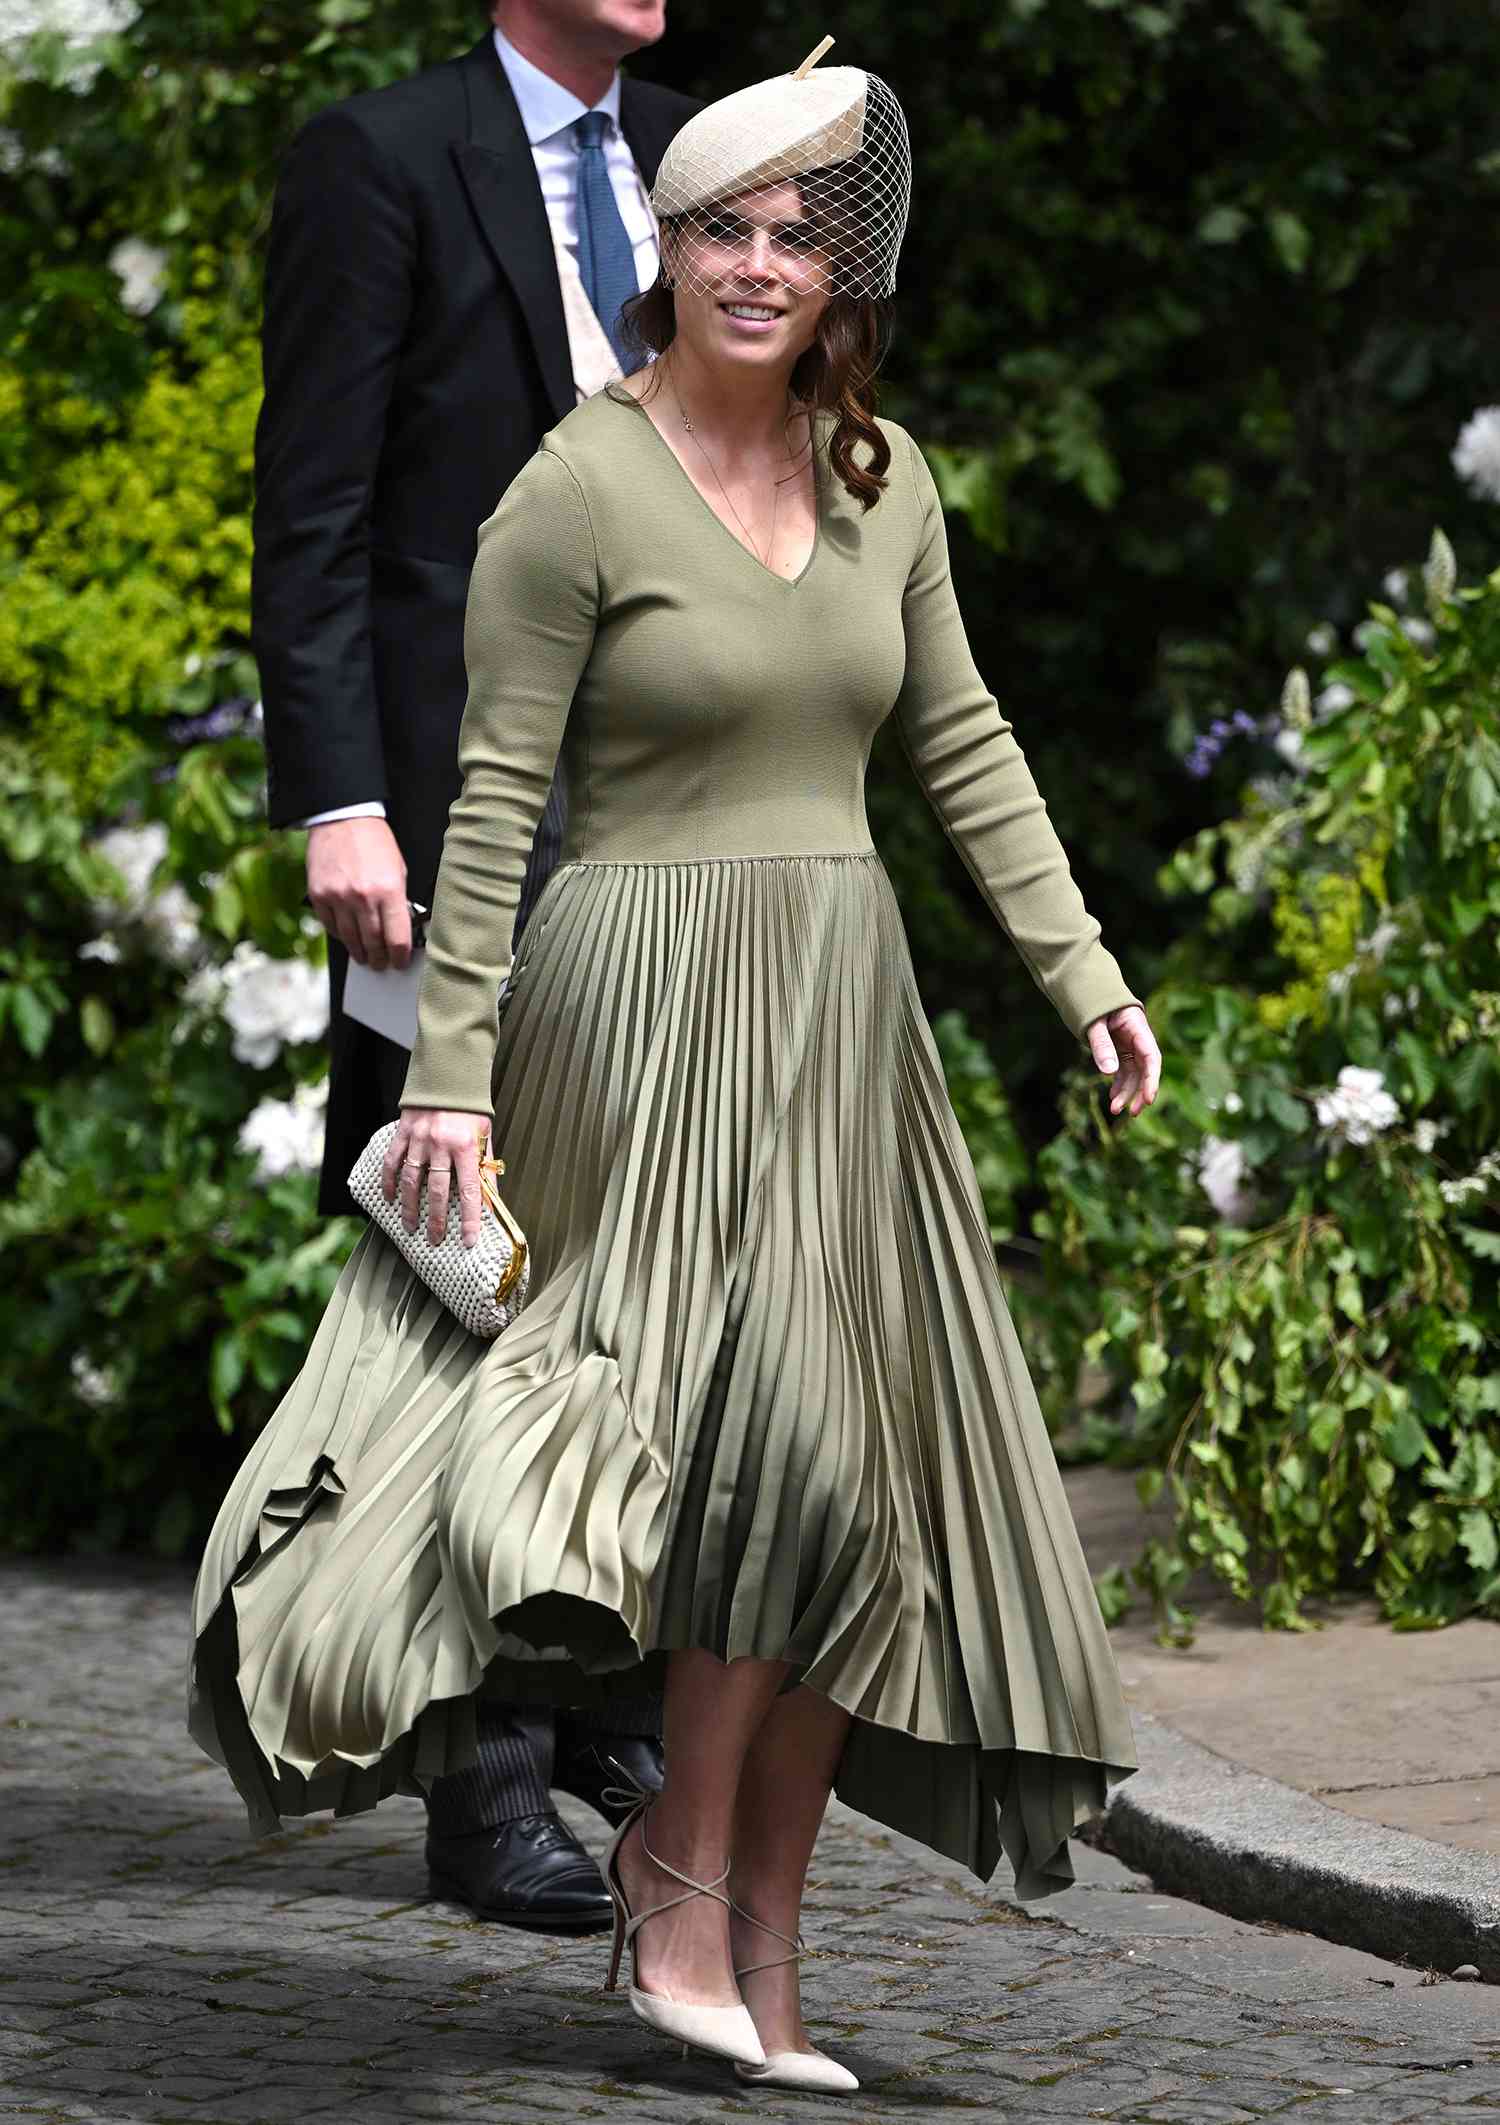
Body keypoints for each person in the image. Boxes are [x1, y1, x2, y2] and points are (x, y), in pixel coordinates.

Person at [191, 44, 1162, 2094]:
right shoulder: (576, 483)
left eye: (795, 234)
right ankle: (680, 1886)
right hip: (635, 1016)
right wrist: (445, 1081)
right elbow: (490, 802)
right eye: (717, 225)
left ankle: (727, 1911)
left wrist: (1078, 968)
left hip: (842, 1016)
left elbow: (964, 746)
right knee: (755, 1480)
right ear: (666, 249)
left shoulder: (890, 488)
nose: (753, 263)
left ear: (845, 275)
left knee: (850, 1498)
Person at [249, 0, 698, 1933]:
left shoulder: (704, 161)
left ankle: (593, 1682)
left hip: (668, 818)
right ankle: (483, 1784)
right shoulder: (382, 155)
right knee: (460, 1273)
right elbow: (319, 513)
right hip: (447, 821)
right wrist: (340, 799)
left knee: (644, 1263)